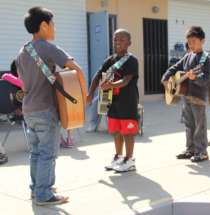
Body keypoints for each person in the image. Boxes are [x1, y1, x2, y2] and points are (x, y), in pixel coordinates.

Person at [16, 7, 85, 205]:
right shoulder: (46, 47)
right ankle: (44, 194)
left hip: (29, 109)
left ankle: (36, 189)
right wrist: (85, 97)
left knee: (36, 152)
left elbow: (24, 82)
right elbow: (76, 69)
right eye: (53, 24)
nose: (54, 28)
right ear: (43, 25)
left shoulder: (22, 51)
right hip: (46, 109)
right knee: (48, 153)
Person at [87, 29, 139, 173]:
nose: (117, 42)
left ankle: (129, 160)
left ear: (129, 43)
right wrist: (90, 93)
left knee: (127, 132)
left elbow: (126, 80)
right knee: (115, 131)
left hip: (127, 102)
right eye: (115, 39)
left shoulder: (132, 60)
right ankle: (118, 157)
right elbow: (97, 76)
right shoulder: (110, 60)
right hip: (111, 101)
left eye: (121, 39)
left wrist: (111, 85)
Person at [161, 26, 210, 162]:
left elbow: (206, 80)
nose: (191, 44)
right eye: (189, 41)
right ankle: (190, 149)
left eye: (194, 41)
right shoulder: (188, 56)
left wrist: (194, 77)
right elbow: (174, 68)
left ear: (202, 41)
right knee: (189, 125)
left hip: (198, 96)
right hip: (186, 95)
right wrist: (166, 78)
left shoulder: (206, 59)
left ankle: (202, 152)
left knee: (199, 126)